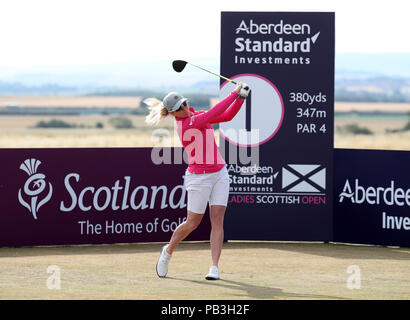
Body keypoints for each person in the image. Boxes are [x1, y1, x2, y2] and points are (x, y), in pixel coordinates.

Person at [145, 81, 250, 280]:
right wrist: (234, 92)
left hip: (219, 172)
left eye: (184, 103)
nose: (184, 108)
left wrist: (241, 98)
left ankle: (214, 267)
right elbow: (214, 113)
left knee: (217, 219)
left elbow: (226, 115)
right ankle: (168, 251)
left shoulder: (195, 115)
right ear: (173, 113)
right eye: (179, 108)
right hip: (198, 177)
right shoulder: (186, 124)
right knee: (192, 223)